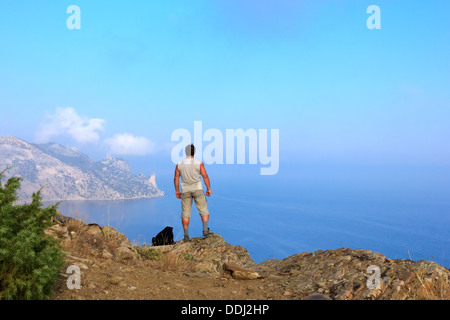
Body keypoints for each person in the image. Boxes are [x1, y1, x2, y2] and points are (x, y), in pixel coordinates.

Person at [174, 144, 212, 240]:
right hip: (198, 189)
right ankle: (205, 230)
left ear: (185, 152)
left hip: (185, 190)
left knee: (185, 213)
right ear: (194, 152)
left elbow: (176, 178)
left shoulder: (179, 164)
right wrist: (208, 188)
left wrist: (177, 190)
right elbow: (205, 176)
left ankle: (186, 235)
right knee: (203, 210)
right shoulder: (199, 163)